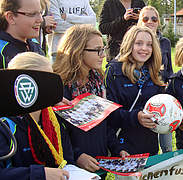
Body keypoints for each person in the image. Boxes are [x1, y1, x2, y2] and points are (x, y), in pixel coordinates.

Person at [53, 24, 129, 173]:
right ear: (78, 51)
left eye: (103, 49)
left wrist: (117, 149)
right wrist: (77, 156)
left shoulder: (98, 81)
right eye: (97, 50)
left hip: (99, 163)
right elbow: (56, 132)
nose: (103, 55)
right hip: (72, 168)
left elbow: (104, 123)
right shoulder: (60, 87)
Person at [0, 52, 74, 180]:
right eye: (43, 82)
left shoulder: (52, 118)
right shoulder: (6, 125)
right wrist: (40, 174)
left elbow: (65, 155)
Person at [105, 25, 164, 156]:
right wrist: (136, 117)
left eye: (149, 45)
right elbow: (109, 114)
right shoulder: (114, 72)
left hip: (150, 147)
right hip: (123, 147)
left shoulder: (155, 73)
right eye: (138, 43)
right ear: (129, 44)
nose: (144, 48)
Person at [137, 5, 173, 153]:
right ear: (140, 21)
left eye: (154, 18)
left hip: (163, 95)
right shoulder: (135, 42)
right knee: (146, 141)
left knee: (166, 143)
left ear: (158, 22)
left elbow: (169, 70)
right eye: (145, 18)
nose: (150, 21)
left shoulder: (165, 42)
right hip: (143, 96)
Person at [0, 0, 44, 69]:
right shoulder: (2, 51)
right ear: (10, 17)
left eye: (41, 12)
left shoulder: (34, 43)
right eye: (32, 14)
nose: (40, 19)